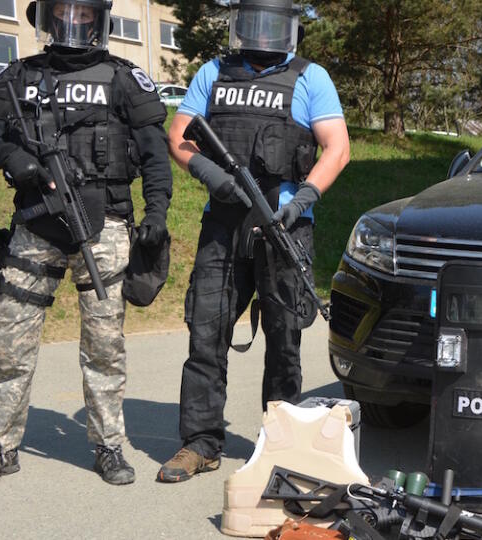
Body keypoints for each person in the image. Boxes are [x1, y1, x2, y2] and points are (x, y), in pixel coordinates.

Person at [0, 0, 172, 487]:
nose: (74, 23)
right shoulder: (18, 76)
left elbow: (154, 156)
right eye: (64, 13)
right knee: (10, 346)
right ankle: (0, 449)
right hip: (36, 225)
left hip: (104, 228)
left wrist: (158, 213)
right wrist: (10, 156)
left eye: (85, 15)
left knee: (104, 347)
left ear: (100, 22)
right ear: (47, 19)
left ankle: (108, 447)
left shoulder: (124, 78)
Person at [157, 0, 349, 482]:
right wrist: (209, 174)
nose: (263, 33)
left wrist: (302, 199)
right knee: (207, 333)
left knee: (285, 339)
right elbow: (179, 135)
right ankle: (200, 443)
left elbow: (338, 147)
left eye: (273, 24)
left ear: (290, 29)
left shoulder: (311, 77)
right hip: (223, 223)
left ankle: (278, 446)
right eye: (254, 22)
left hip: (285, 226)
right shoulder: (213, 73)